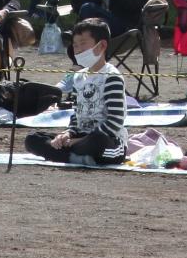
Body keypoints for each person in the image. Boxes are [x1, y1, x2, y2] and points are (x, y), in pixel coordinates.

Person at [26, 18, 125, 166]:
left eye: (83, 44)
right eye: (75, 45)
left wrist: (76, 141)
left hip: (105, 141)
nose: (78, 50)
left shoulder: (111, 77)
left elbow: (115, 121)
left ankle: (68, 155)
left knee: (96, 142)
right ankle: (77, 157)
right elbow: (76, 115)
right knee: (33, 139)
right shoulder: (78, 77)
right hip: (80, 137)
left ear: (102, 45)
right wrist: (67, 134)